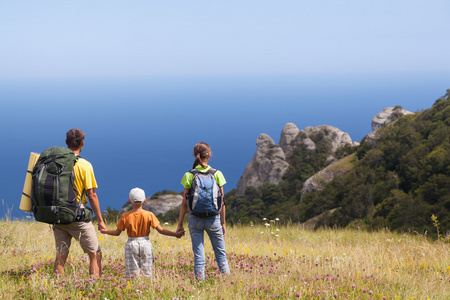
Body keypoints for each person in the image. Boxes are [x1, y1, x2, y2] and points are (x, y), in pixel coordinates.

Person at [53, 128, 106, 278]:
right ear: (83, 143)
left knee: (61, 254)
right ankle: (95, 288)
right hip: (77, 216)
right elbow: (91, 195)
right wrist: (100, 221)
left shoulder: (55, 162)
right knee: (95, 253)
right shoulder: (85, 165)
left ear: (66, 143)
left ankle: (58, 287)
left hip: (57, 215)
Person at [101, 187, 184, 280]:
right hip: (145, 243)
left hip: (131, 244)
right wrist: (176, 234)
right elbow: (161, 230)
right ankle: (147, 285)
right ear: (144, 200)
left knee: (132, 271)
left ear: (129, 201)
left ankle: (134, 287)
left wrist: (105, 231)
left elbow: (117, 233)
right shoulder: (149, 215)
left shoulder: (125, 216)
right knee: (147, 270)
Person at [176, 142, 230, 280]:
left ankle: (200, 283)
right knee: (220, 253)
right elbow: (222, 202)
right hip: (214, 220)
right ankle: (227, 282)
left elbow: (184, 203)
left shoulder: (189, 175)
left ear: (194, 155)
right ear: (210, 155)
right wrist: (223, 223)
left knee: (199, 255)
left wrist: (180, 224)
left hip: (195, 219)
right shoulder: (217, 174)